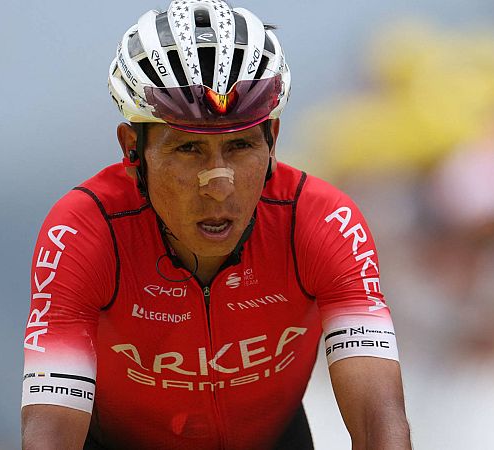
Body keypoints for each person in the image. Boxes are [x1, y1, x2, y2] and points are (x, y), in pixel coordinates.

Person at [20, 1, 410, 448]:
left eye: (240, 146)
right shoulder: (85, 232)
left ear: (272, 141)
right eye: (188, 149)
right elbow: (49, 435)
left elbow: (381, 426)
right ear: (133, 150)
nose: (219, 187)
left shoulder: (320, 222)